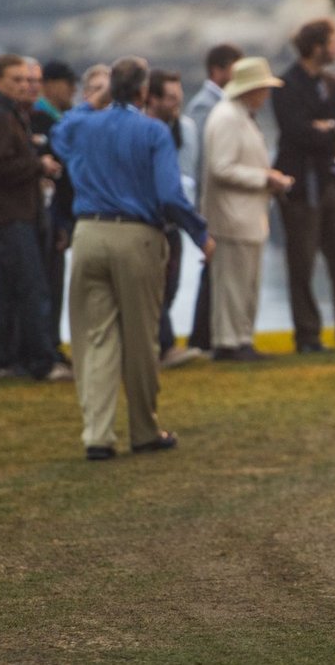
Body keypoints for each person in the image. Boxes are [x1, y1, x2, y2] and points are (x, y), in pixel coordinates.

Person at [52, 56, 215, 461]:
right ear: (144, 91)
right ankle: (144, 429)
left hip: (88, 232)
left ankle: (98, 433)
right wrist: (199, 233)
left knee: (96, 338)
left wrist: (95, 99)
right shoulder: (154, 131)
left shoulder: (84, 125)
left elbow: (59, 132)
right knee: (141, 339)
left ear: (111, 88)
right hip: (137, 236)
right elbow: (169, 195)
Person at [0, 54, 71, 382]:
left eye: (29, 80)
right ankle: (41, 362)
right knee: (31, 288)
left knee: (0, 290)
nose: (25, 85)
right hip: (9, 215)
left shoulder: (11, 115)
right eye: (17, 80)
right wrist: (38, 166)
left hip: (7, 214)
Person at [272, 18, 335, 353]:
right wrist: (334, 125)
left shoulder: (333, 83)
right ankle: (308, 336)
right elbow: (298, 132)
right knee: (302, 263)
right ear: (317, 47)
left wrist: (326, 127)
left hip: (333, 185)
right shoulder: (285, 86)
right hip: (301, 188)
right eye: (332, 42)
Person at [202, 57, 294, 361]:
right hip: (232, 215)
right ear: (250, 89)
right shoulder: (228, 117)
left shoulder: (240, 115)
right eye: (263, 89)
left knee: (245, 283)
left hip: (246, 214)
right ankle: (229, 342)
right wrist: (264, 178)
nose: (266, 95)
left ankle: (240, 339)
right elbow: (220, 167)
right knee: (233, 283)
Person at [185, 43, 245, 352]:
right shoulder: (203, 105)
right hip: (209, 200)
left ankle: (206, 335)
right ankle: (202, 336)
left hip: (219, 200)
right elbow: (199, 159)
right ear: (217, 71)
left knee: (218, 269)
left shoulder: (225, 104)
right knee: (213, 268)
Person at [145, 69, 203, 369]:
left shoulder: (186, 129)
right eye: (170, 98)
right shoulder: (144, 129)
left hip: (175, 219)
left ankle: (158, 345)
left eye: (179, 98)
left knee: (171, 286)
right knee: (153, 287)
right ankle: (163, 346)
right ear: (151, 98)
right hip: (148, 221)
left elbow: (191, 174)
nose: (176, 104)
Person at [30, 59, 78, 365]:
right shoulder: (40, 120)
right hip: (46, 216)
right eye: (66, 82)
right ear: (49, 84)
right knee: (44, 286)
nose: (73, 89)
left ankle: (52, 345)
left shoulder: (62, 118)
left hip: (59, 216)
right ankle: (43, 350)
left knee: (55, 285)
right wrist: (60, 221)